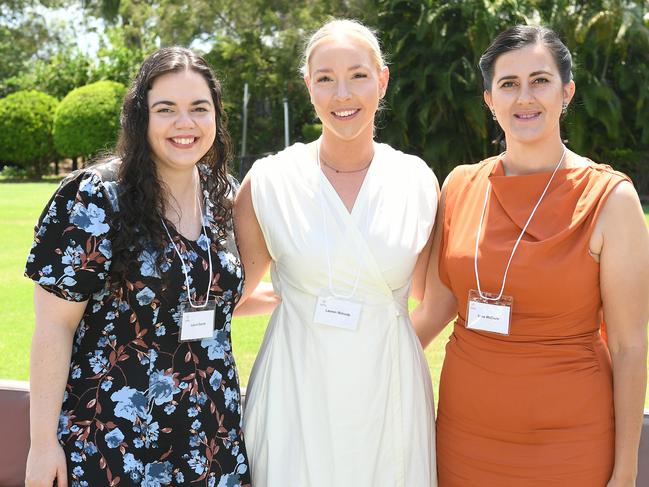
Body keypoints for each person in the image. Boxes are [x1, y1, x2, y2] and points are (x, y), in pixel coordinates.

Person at [413, 25, 649, 486]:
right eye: (508, 84)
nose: (525, 97)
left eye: (540, 80)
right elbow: (436, 308)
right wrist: (359, 359)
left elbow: (629, 346)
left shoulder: (610, 199)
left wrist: (625, 470)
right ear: (489, 100)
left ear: (566, 92)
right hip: (466, 441)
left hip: (570, 444)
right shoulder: (458, 185)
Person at [24, 47, 254, 486]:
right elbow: (54, 326)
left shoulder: (224, 196)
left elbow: (221, 298)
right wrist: (42, 444)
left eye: (198, 109)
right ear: (140, 117)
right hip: (113, 438)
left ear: (216, 118)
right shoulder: (94, 197)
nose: (184, 123)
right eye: (166, 109)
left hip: (211, 436)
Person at [234, 18, 439, 487]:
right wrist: (294, 302)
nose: (342, 94)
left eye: (358, 75)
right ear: (308, 87)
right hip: (295, 385)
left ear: (382, 80)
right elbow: (230, 294)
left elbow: (435, 296)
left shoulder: (417, 180)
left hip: (391, 391)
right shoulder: (269, 182)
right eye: (325, 79)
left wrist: (389, 340)